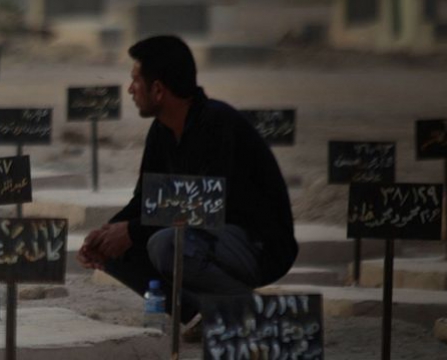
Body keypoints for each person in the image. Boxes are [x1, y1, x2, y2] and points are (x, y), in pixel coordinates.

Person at [76, 36, 298, 333]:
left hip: (257, 245)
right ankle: (204, 313)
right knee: (116, 250)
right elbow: (146, 201)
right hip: (206, 238)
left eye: (135, 81)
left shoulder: (218, 125)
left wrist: (131, 231)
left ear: (157, 90)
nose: (130, 90)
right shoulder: (162, 130)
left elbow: (206, 207)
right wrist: (106, 233)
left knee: (165, 243)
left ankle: (248, 311)